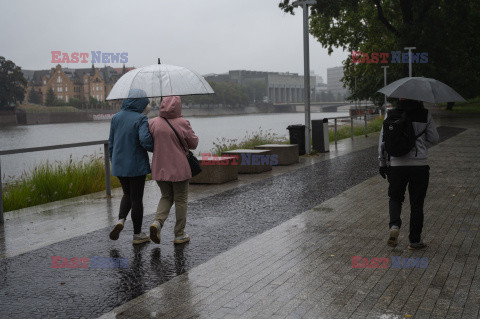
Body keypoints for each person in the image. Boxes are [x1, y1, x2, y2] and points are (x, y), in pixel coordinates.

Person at [378, 99, 439, 250]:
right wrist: (421, 146)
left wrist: (382, 164)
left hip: (397, 165)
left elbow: (383, 142)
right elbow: (434, 138)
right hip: (419, 166)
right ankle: (414, 240)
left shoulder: (391, 114)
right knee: (417, 203)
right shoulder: (425, 114)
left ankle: (394, 226)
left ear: (400, 98)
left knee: (395, 198)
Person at [148, 96, 198, 245]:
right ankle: (179, 234)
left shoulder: (153, 123)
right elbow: (193, 143)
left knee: (166, 196)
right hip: (179, 168)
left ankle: (157, 222)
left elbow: (148, 141)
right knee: (181, 199)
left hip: (159, 167)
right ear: (178, 107)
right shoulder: (183, 123)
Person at [108, 94, 153, 245]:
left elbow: (111, 143)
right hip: (136, 165)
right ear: (139, 104)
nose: (146, 107)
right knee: (137, 198)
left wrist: (113, 161)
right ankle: (138, 234)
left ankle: (121, 220)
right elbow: (145, 140)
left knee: (127, 194)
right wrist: (156, 147)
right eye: (145, 104)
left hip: (119, 164)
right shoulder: (141, 119)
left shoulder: (116, 118)